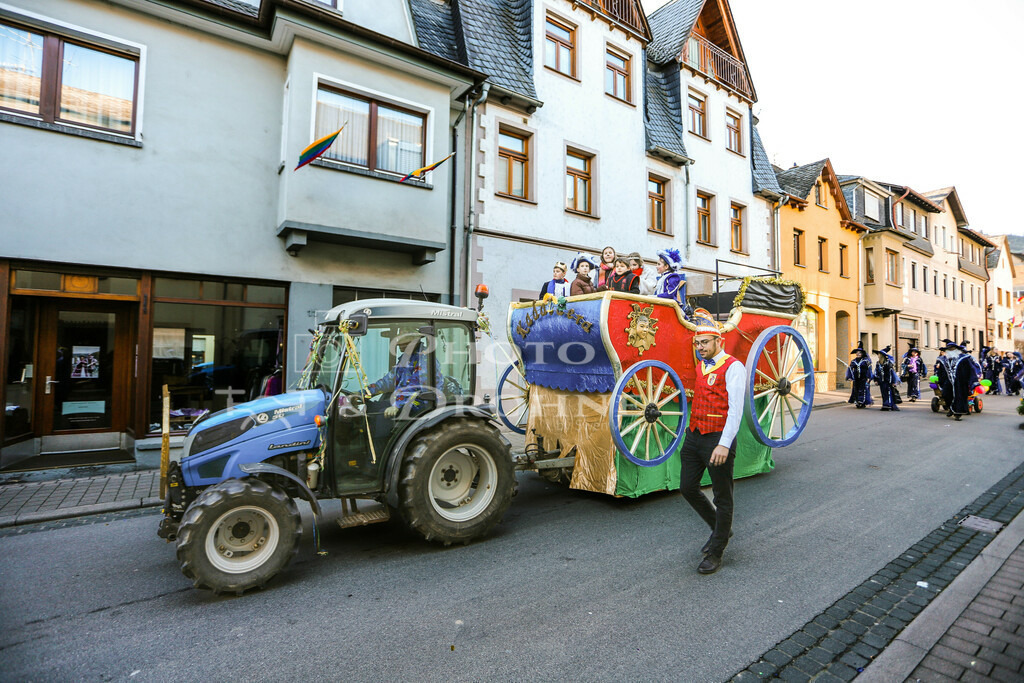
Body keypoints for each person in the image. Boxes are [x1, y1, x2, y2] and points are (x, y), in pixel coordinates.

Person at [678, 308, 746, 575]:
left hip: (717, 438)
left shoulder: (734, 367)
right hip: (695, 436)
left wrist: (724, 443)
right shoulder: (700, 365)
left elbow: (735, 409)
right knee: (687, 487)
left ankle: (716, 551)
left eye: (704, 342)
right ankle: (722, 529)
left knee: (722, 495)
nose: (700, 347)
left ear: (720, 341)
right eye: (697, 343)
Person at [365, 328, 442, 419]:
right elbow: (388, 381)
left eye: (404, 343)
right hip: (404, 400)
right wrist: (363, 393)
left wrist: (397, 405)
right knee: (371, 408)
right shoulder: (405, 359)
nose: (399, 346)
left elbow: (415, 386)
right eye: (399, 343)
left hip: (421, 402)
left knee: (383, 414)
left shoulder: (424, 359)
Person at [935, 339, 978, 420]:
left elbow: (970, 369)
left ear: (957, 350)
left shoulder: (964, 358)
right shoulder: (943, 359)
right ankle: (951, 408)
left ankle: (957, 413)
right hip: (948, 381)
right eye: (949, 349)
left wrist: (973, 381)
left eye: (953, 349)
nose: (951, 351)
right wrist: (940, 380)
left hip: (960, 381)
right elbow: (940, 371)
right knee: (946, 395)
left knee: (959, 396)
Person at [846, 341, 873, 408]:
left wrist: (869, 377)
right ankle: (857, 401)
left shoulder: (865, 361)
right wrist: (849, 377)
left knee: (863, 390)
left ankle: (862, 402)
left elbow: (869, 369)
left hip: (864, 377)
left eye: (859, 353)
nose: (858, 354)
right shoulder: (853, 361)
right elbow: (850, 369)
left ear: (862, 354)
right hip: (856, 378)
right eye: (857, 353)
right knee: (856, 389)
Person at [874, 346, 901, 411]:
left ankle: (889, 405)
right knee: (883, 393)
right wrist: (876, 380)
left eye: (879, 354)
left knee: (889, 393)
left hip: (888, 381)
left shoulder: (888, 363)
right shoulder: (878, 363)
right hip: (881, 381)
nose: (878, 355)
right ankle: (885, 404)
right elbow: (876, 372)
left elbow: (891, 373)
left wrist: (893, 382)